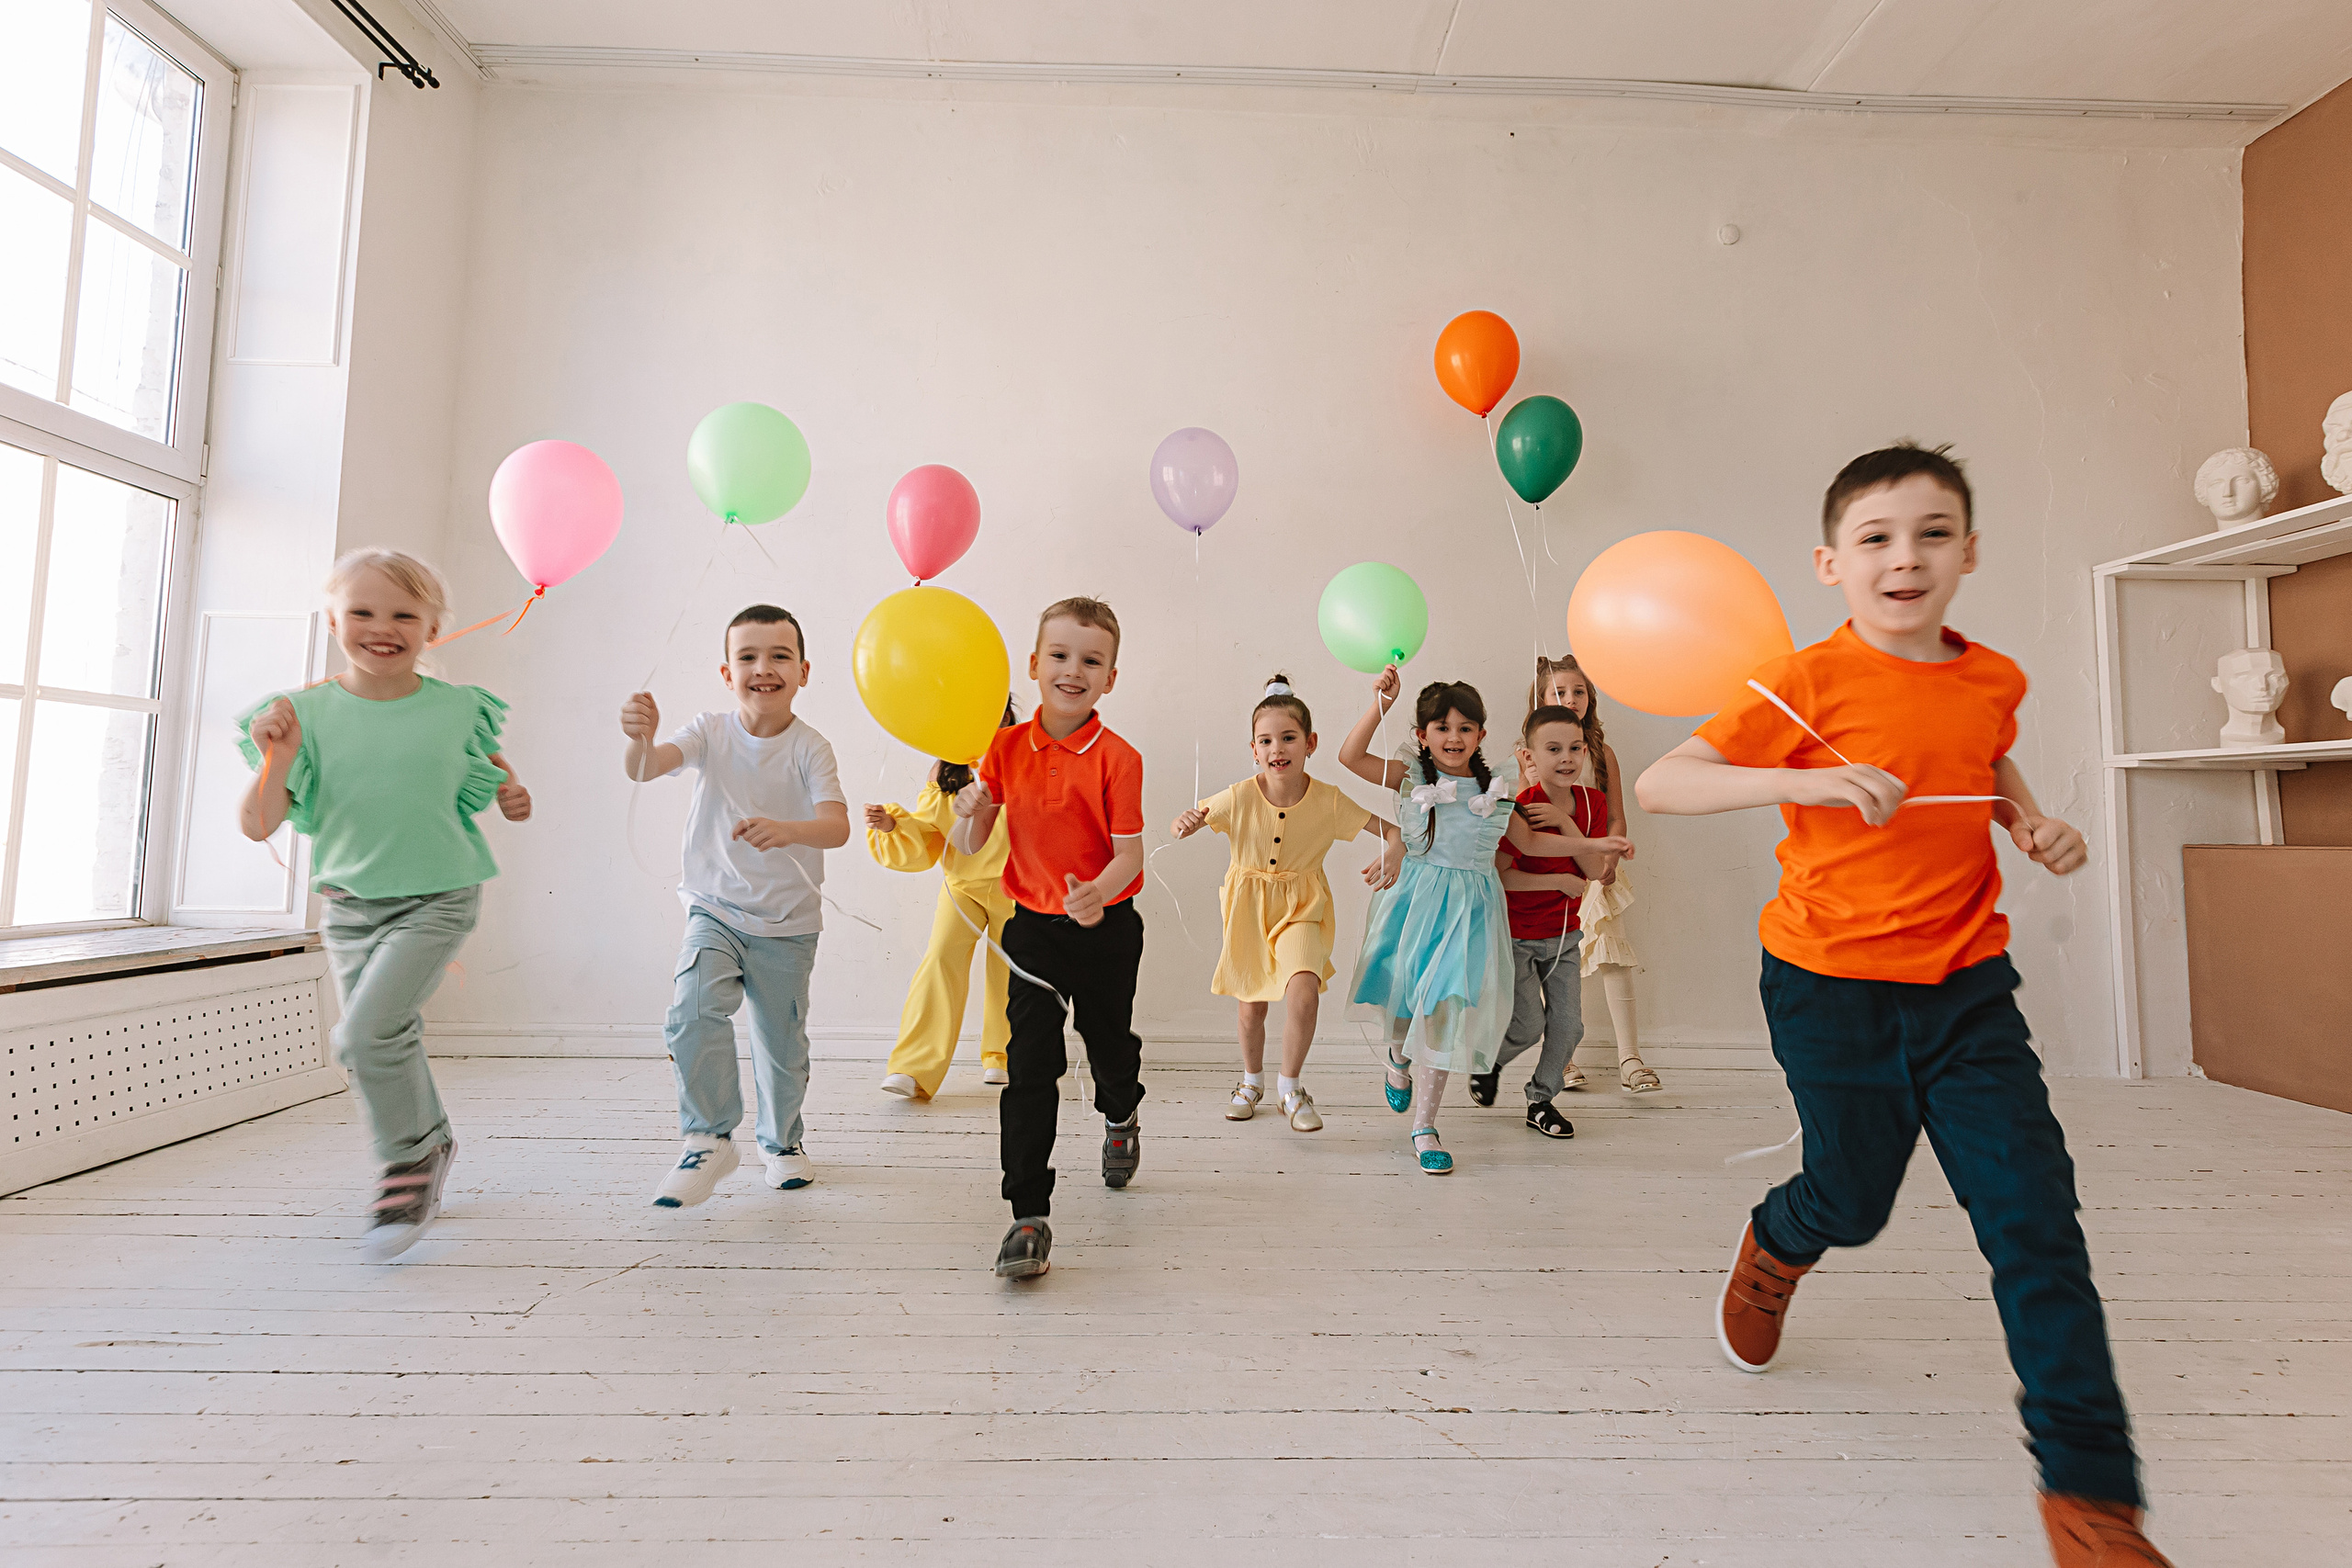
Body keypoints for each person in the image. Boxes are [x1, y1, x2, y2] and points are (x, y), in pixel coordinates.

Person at [1635, 443, 2170, 1568]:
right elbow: (1664, 781)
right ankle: (1778, 1240)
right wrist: (1804, 780)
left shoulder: (1991, 679)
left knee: (2035, 1221)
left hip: (1969, 991)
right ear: (1831, 563)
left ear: (1967, 552)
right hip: (1828, 991)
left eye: (1931, 533)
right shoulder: (1804, 682)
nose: (1904, 558)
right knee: (1853, 1197)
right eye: (1875, 538)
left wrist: (2028, 825)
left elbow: (1984, 761)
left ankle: (2090, 1506)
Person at [238, 547, 532, 1260]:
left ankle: (406, 1159)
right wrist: (277, 758)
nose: (383, 627)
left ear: (434, 627)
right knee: (381, 1034)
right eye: (362, 612)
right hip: (348, 908)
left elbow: (488, 764)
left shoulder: (458, 706)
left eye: (405, 613)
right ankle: (430, 1141)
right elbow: (258, 823)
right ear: (335, 619)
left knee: (364, 1034)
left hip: (438, 896)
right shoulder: (299, 713)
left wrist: (510, 791)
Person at [619, 605, 848, 1209]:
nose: (763, 668)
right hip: (714, 911)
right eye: (747, 656)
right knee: (691, 1011)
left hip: (787, 925)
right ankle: (708, 1135)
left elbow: (837, 825)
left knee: (781, 1043)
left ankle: (782, 1143)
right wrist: (639, 737)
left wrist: (788, 829)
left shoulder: (810, 746)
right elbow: (648, 766)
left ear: (803, 670)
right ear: (727, 671)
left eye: (778, 656)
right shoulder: (709, 731)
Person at [952, 598, 1146, 1280]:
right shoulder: (1002, 748)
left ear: (1110, 678)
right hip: (1030, 930)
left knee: (1108, 1046)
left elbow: (1131, 853)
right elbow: (971, 841)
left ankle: (1121, 1112)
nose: (1073, 670)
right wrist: (969, 810)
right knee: (1031, 1064)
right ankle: (1027, 1215)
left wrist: (1100, 892)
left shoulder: (1120, 758)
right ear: (1033, 665)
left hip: (1106, 928)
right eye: (1059, 656)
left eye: (1091, 660)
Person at [1340, 673, 1573, 1175]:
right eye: (1441, 727)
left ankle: (1426, 1126)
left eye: (1466, 728)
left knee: (1445, 1009)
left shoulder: (1498, 786)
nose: (1454, 737)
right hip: (1415, 904)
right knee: (1405, 1000)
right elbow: (1350, 758)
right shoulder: (1412, 776)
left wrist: (1592, 849)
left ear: (1482, 736)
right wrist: (1380, 706)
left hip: (1471, 913)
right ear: (1423, 735)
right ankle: (1398, 1059)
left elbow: (1529, 845)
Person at [1170, 674, 1403, 1133]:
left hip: (1303, 908)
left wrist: (1394, 848)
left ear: (1310, 743)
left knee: (1303, 993)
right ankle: (1250, 1081)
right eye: (1266, 740)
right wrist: (1187, 821)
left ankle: (1290, 1087)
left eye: (1289, 738)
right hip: (1247, 912)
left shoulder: (1328, 801)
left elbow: (1390, 830)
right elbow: (1197, 816)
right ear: (1253, 749)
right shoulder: (1238, 796)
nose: (1278, 748)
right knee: (1251, 1008)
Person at [1482, 706, 1632, 1136]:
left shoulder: (1592, 803)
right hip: (1517, 937)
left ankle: (1540, 1101)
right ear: (1529, 757)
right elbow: (1501, 875)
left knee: (1569, 1027)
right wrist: (1560, 879)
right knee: (1528, 1026)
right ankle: (1489, 1065)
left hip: (1565, 937)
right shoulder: (1521, 807)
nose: (1567, 758)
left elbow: (1595, 871)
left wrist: (1567, 824)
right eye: (1553, 749)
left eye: (1575, 748)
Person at [863, 699, 1021, 1100]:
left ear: (1004, 715)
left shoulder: (1024, 755)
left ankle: (1002, 1057)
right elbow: (935, 834)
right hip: (962, 887)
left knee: (1011, 972)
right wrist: (894, 825)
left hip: (1017, 886)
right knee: (939, 961)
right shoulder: (948, 768)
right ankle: (913, 1068)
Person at [1522, 654, 1658, 1093]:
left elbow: (1616, 816)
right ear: (1540, 701)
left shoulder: (1601, 754)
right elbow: (1526, 824)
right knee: (1553, 960)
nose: (1571, 699)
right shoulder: (1529, 756)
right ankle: (1562, 1058)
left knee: (1614, 955)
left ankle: (1630, 1057)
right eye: (1559, 693)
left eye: (1578, 691)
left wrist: (1609, 859)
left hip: (1597, 870)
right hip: (1552, 873)